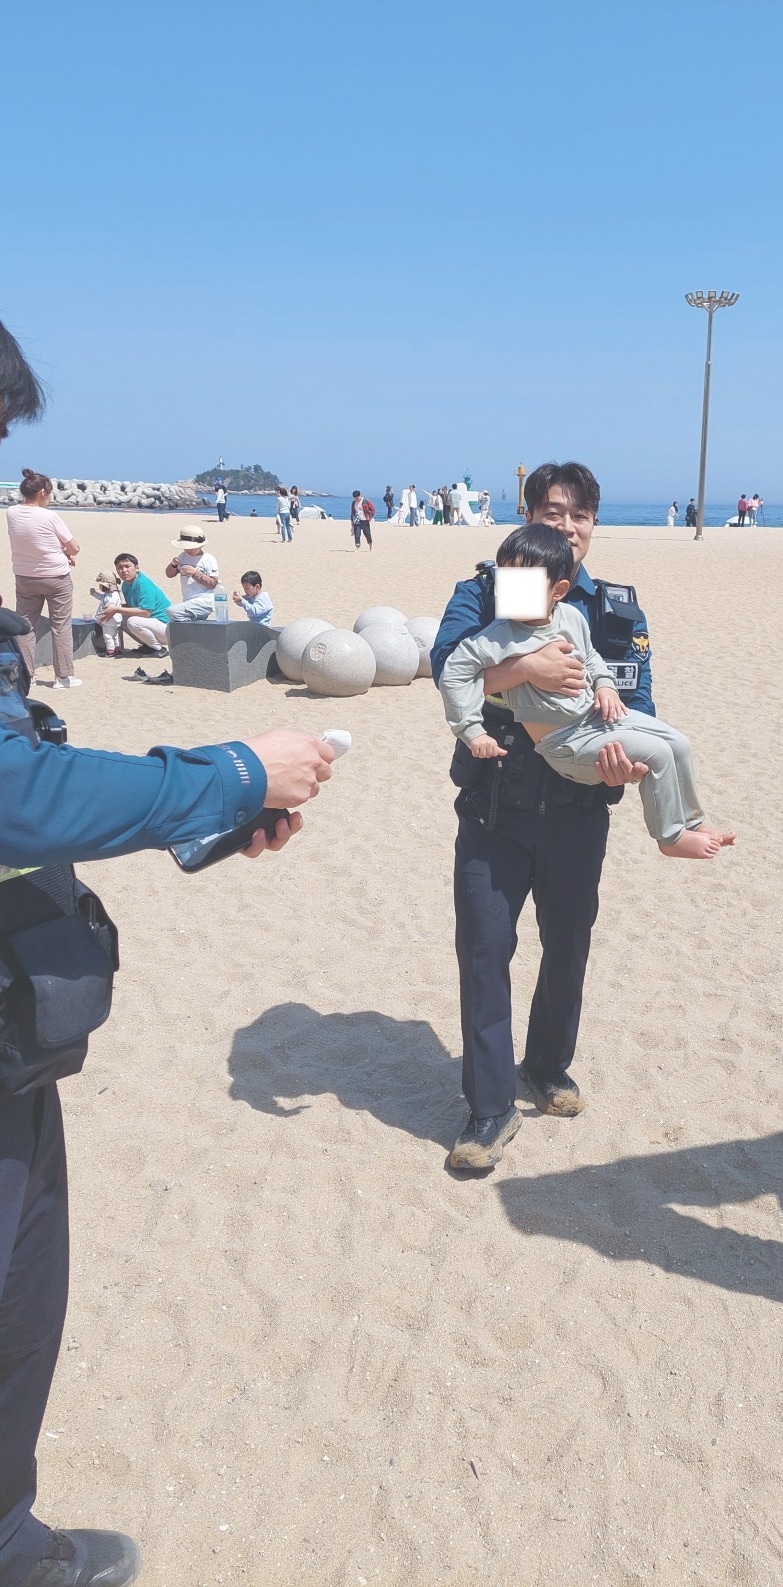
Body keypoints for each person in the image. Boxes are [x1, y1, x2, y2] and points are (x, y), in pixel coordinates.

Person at [0, 314, 336, 1587]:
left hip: (18, 1032)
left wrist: (204, 820)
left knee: (25, 1302)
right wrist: (230, 773)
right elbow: (11, 797)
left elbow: (30, 786)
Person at [430, 460, 655, 1171]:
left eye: (579, 515)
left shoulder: (613, 609)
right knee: (484, 950)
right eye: (552, 512)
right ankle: (489, 1109)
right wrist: (523, 671)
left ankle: (547, 1065)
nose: (567, 525)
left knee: (567, 945)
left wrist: (627, 759)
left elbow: (637, 701)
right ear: (527, 516)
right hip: (494, 804)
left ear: (593, 524)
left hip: (577, 808)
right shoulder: (485, 590)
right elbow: (448, 672)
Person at [440, 523, 733, 861]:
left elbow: (591, 657)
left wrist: (605, 684)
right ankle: (670, 837)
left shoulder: (570, 618)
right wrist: (471, 730)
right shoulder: (498, 636)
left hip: (594, 719)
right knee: (657, 753)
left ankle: (692, 822)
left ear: (558, 590)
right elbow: (453, 673)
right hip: (564, 743)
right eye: (507, 581)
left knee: (678, 743)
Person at [6, 469, 82, 689]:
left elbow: (34, 540)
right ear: (42, 492)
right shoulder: (49, 516)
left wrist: (60, 550)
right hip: (55, 577)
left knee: (26, 627)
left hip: (25, 576)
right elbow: (75, 547)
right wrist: (65, 552)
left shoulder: (11, 512)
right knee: (61, 626)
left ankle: (27, 675)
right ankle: (63, 677)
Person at [103, 552, 172, 654]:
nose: (124, 570)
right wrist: (113, 608)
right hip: (153, 625)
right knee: (118, 617)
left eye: (127, 566)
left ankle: (158, 649)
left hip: (166, 628)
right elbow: (133, 606)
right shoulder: (126, 585)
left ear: (137, 568)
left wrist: (116, 609)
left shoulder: (143, 584)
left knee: (133, 621)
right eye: (120, 568)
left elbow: (145, 612)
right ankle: (147, 645)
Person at [164, 529, 219, 621]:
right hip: (188, 601)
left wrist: (195, 573)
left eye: (190, 548)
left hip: (204, 602)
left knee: (171, 611)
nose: (187, 550)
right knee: (174, 619)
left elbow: (213, 583)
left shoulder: (209, 559)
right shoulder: (183, 556)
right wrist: (173, 565)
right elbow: (169, 574)